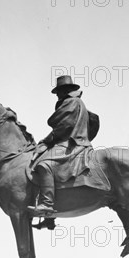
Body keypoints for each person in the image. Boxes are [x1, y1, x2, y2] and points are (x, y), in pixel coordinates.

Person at [27, 75, 100, 217]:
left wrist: (45, 141)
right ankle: (50, 218)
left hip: (72, 143)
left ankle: (46, 204)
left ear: (65, 90)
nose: (57, 95)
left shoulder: (71, 102)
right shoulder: (76, 102)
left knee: (44, 164)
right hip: (72, 141)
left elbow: (64, 127)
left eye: (59, 91)